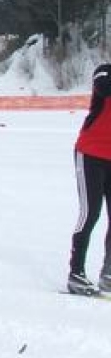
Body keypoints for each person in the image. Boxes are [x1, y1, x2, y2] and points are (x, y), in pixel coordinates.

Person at [67, 64, 111, 295]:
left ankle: (108, 273)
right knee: (90, 213)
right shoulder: (104, 71)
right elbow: (103, 87)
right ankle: (76, 274)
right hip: (90, 154)